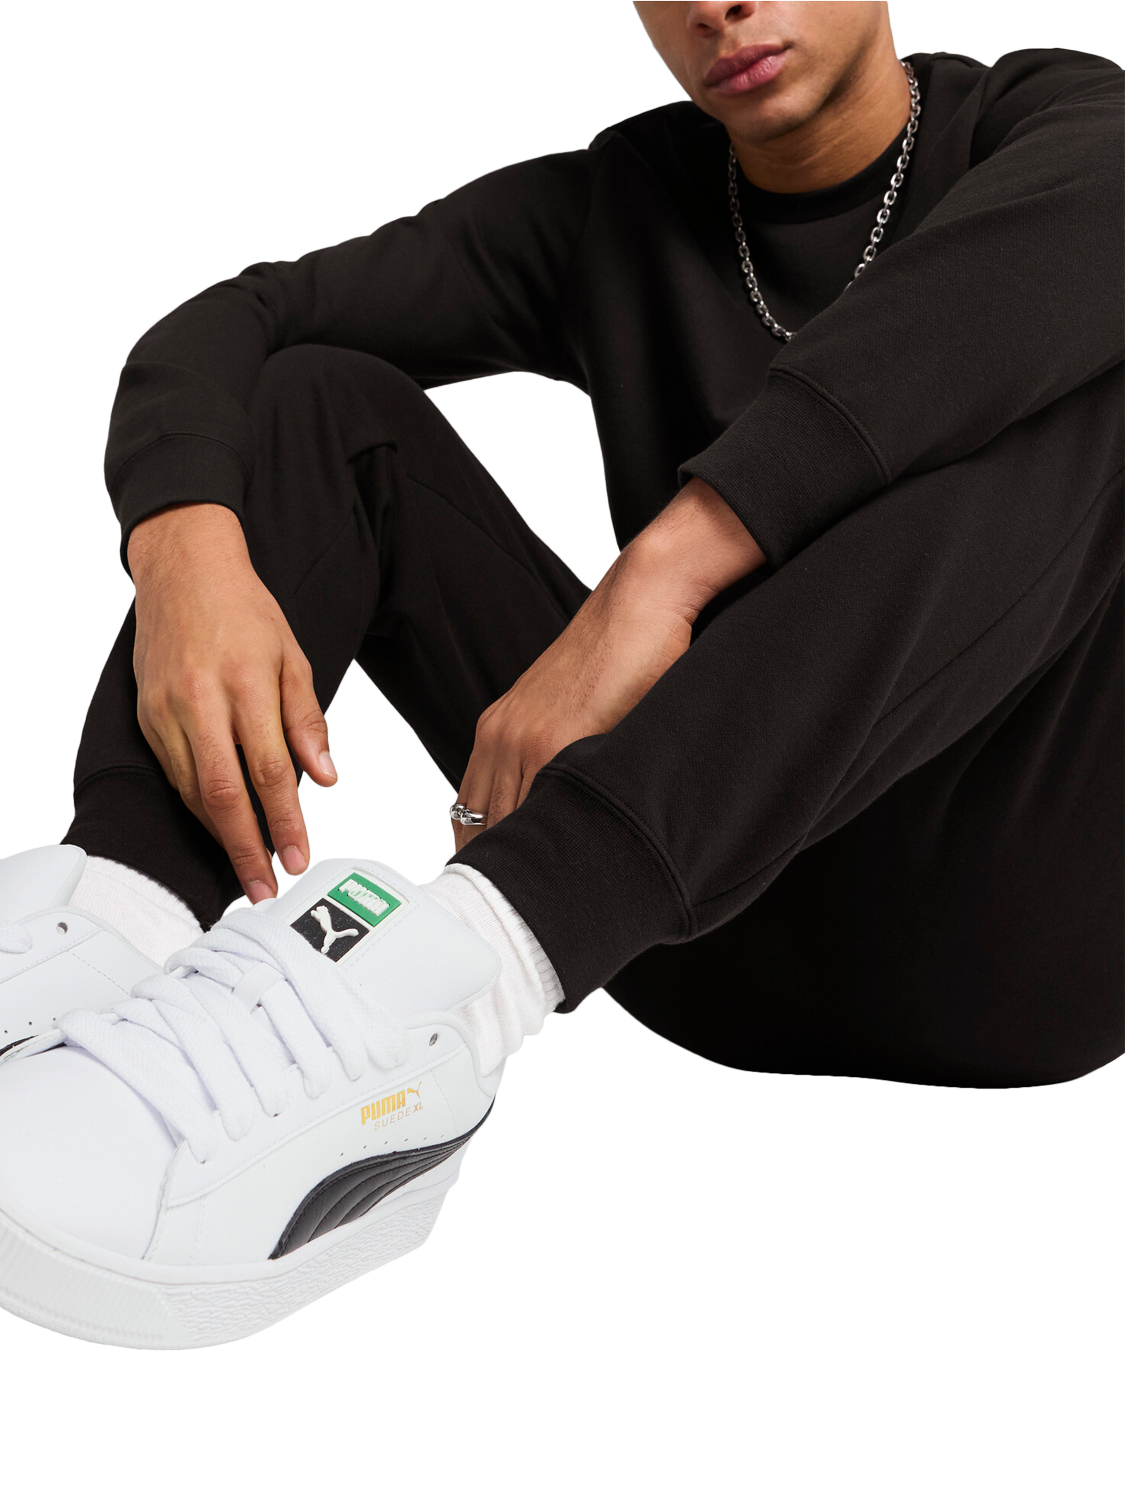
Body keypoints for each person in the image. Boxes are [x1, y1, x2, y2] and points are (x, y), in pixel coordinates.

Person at [1, 1, 1123, 1346]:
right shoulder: (622, 206)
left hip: (1012, 950)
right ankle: (118, 918)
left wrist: (666, 569)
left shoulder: (1059, 130)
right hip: (691, 933)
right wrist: (184, 548)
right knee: (312, 396)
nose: (720, 3)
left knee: (1087, 377)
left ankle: (446, 986)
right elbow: (246, 320)